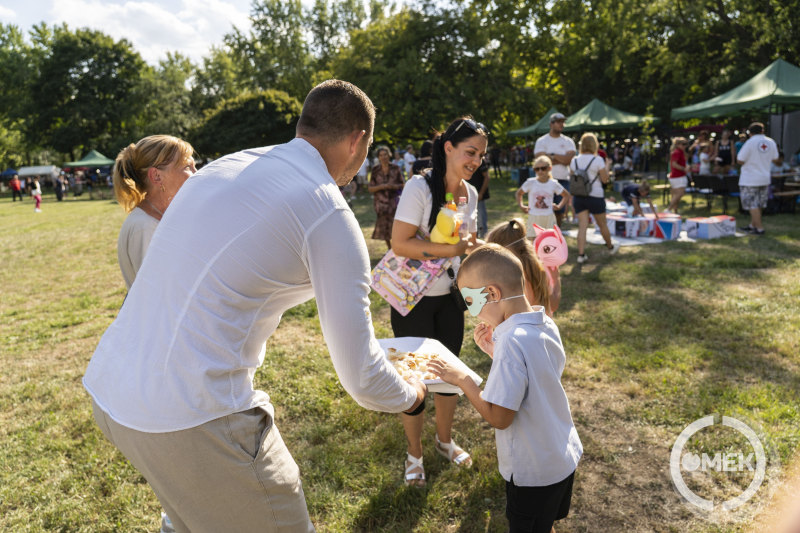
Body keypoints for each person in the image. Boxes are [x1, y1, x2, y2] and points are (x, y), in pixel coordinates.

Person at [83, 79, 426, 532]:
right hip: (195, 411)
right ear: (358, 141)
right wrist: (414, 396)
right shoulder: (329, 211)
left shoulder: (221, 168)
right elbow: (361, 377)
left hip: (113, 388)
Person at [429, 243, 582, 533]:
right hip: (561, 458)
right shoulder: (544, 323)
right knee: (545, 524)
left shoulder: (511, 342)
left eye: (470, 302)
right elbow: (537, 375)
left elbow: (500, 417)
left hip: (533, 472)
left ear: (492, 294)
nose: (472, 314)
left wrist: (463, 380)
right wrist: (494, 353)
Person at [390, 116, 487, 487]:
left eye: (480, 155)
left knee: (448, 376)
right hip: (412, 298)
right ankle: (414, 453)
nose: (476, 160)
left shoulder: (471, 193)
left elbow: (467, 249)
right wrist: (450, 247)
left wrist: (472, 256)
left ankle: (444, 441)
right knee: (414, 380)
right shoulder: (420, 187)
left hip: (450, 297)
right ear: (448, 147)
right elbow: (401, 243)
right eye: (470, 152)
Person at [113, 135, 197, 290]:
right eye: (187, 167)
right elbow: (160, 292)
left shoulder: (161, 217)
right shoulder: (144, 227)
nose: (196, 173)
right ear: (157, 176)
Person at [486, 219, 560, 316]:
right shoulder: (539, 269)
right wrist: (556, 278)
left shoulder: (511, 282)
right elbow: (553, 305)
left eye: (491, 254)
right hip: (543, 329)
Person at [572, 133, 619, 265]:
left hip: (579, 196)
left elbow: (573, 178)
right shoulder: (598, 160)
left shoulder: (574, 160)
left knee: (582, 227)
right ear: (594, 145)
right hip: (595, 196)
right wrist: (607, 166)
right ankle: (610, 247)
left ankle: (581, 255)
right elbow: (605, 180)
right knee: (602, 224)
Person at [737, 122, 779, 235]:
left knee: (752, 204)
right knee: (759, 204)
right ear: (762, 131)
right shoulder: (771, 141)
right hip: (765, 177)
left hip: (750, 178)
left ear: (750, 133)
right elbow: (776, 158)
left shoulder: (750, 142)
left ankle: (759, 228)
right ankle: (753, 225)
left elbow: (740, 160)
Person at [534, 113, 575, 226]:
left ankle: (556, 235)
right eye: (559, 121)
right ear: (551, 124)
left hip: (562, 180)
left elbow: (569, 160)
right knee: (543, 210)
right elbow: (539, 159)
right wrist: (561, 158)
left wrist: (551, 156)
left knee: (559, 211)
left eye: (563, 121)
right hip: (544, 181)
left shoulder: (568, 141)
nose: (562, 124)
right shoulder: (542, 141)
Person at [516, 155, 570, 231]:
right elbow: (519, 193)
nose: (540, 171)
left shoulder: (553, 184)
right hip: (534, 216)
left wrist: (559, 206)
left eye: (543, 168)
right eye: (537, 169)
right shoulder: (530, 182)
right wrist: (521, 206)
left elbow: (566, 195)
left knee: (548, 239)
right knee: (533, 240)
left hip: (548, 217)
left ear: (550, 168)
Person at [368, 145, 404, 249]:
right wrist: (381, 186)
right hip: (381, 203)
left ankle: (398, 246)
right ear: (378, 157)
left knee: (396, 226)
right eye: (381, 155)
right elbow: (370, 188)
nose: (383, 157)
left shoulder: (396, 168)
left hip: (394, 202)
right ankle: (390, 248)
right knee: (384, 228)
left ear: (389, 155)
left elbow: (402, 185)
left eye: (385, 154)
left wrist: (392, 186)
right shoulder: (375, 170)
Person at [467, 159, 491, 238]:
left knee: (481, 220)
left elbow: (487, 177)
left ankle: (484, 237)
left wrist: (481, 193)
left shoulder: (480, 161)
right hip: (465, 197)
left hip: (478, 197)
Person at [666, 137, 689, 214]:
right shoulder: (677, 152)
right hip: (678, 176)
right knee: (680, 194)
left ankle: (675, 211)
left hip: (677, 176)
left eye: (686, 144)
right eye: (683, 144)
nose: (685, 146)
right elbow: (674, 164)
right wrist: (684, 169)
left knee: (676, 195)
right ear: (678, 144)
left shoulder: (680, 152)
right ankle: (668, 209)